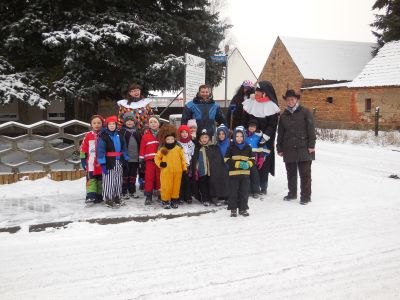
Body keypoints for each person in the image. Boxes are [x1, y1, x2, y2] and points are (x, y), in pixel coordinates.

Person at [277, 90, 316, 205]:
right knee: (291, 173)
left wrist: (311, 145)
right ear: (286, 101)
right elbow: (280, 133)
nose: (290, 101)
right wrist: (279, 148)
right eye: (288, 100)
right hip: (288, 147)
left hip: (304, 147)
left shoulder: (305, 112)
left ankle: (305, 196)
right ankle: (292, 193)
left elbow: (311, 129)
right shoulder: (283, 116)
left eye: (292, 99)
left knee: (305, 174)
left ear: (296, 100)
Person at [243, 80, 280, 195]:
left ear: (265, 93)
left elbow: (272, 125)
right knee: (251, 161)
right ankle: (251, 186)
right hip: (252, 137)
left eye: (259, 91)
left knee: (263, 162)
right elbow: (247, 120)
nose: (256, 93)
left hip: (265, 139)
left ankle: (263, 186)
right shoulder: (251, 103)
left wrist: (264, 138)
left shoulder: (272, 106)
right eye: (256, 91)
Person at [191, 129, 229, 206]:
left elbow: (218, 160)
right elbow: (195, 160)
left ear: (209, 138)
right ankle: (205, 199)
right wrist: (195, 169)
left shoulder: (214, 148)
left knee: (213, 184)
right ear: (199, 139)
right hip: (202, 171)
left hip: (212, 171)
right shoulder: (198, 149)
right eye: (202, 138)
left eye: (206, 137)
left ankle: (215, 198)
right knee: (203, 185)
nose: (204, 139)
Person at [97, 116, 129, 207]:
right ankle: (108, 198)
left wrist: (125, 158)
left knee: (118, 180)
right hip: (109, 162)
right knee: (109, 181)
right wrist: (102, 163)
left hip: (119, 161)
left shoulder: (120, 135)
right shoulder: (104, 136)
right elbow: (100, 151)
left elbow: (124, 148)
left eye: (113, 124)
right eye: (110, 124)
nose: (112, 126)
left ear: (116, 125)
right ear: (106, 125)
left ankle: (117, 196)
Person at [224, 126, 255, 217]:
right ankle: (233, 209)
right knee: (233, 192)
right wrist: (237, 164)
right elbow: (226, 159)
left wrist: (248, 164)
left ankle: (243, 209)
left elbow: (253, 159)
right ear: (234, 137)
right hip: (233, 175)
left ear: (244, 137)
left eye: (241, 136)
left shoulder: (248, 148)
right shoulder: (231, 147)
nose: (239, 138)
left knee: (244, 192)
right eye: (237, 136)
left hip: (245, 175)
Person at [154, 124, 187, 209]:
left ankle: (174, 200)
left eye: (172, 139)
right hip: (166, 172)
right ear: (164, 139)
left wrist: (184, 169)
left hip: (177, 171)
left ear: (174, 138)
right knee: (166, 186)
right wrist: (160, 163)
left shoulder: (178, 148)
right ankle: (165, 200)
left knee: (176, 186)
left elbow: (183, 159)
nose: (170, 140)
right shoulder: (163, 149)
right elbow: (156, 158)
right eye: (168, 139)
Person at [80, 115, 105, 204]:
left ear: (102, 124)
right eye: (94, 123)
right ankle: (90, 196)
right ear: (91, 124)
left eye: (99, 123)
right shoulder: (88, 135)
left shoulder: (105, 135)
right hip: (91, 163)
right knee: (91, 179)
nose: (96, 125)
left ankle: (99, 195)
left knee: (100, 180)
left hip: (102, 162)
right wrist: (83, 160)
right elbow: (83, 149)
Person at [244, 119, 270, 199]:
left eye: (254, 127)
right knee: (246, 176)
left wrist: (262, 157)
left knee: (255, 175)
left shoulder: (259, 137)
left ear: (256, 127)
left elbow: (262, 147)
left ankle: (256, 191)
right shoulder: (244, 135)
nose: (252, 128)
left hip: (255, 159)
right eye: (250, 126)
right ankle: (248, 191)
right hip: (245, 159)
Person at [139, 116, 161, 205]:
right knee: (149, 178)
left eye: (155, 122)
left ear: (158, 124)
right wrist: (141, 159)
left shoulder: (162, 134)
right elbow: (142, 148)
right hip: (149, 161)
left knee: (160, 178)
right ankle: (148, 196)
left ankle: (161, 194)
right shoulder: (145, 136)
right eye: (151, 122)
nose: (153, 124)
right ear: (149, 124)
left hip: (160, 161)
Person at [120, 112, 141, 199]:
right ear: (124, 122)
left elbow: (140, 144)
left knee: (133, 175)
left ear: (134, 122)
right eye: (127, 121)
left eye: (131, 121)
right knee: (125, 175)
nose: (129, 122)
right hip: (126, 158)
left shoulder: (137, 132)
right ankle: (124, 191)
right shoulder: (122, 132)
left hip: (135, 158)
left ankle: (132, 190)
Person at [177, 125, 195, 204]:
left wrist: (191, 163)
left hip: (188, 165)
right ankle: (180, 197)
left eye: (186, 132)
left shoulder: (191, 143)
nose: (184, 134)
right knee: (180, 182)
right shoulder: (177, 143)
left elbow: (192, 153)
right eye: (182, 132)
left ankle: (188, 196)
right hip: (179, 165)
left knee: (187, 181)